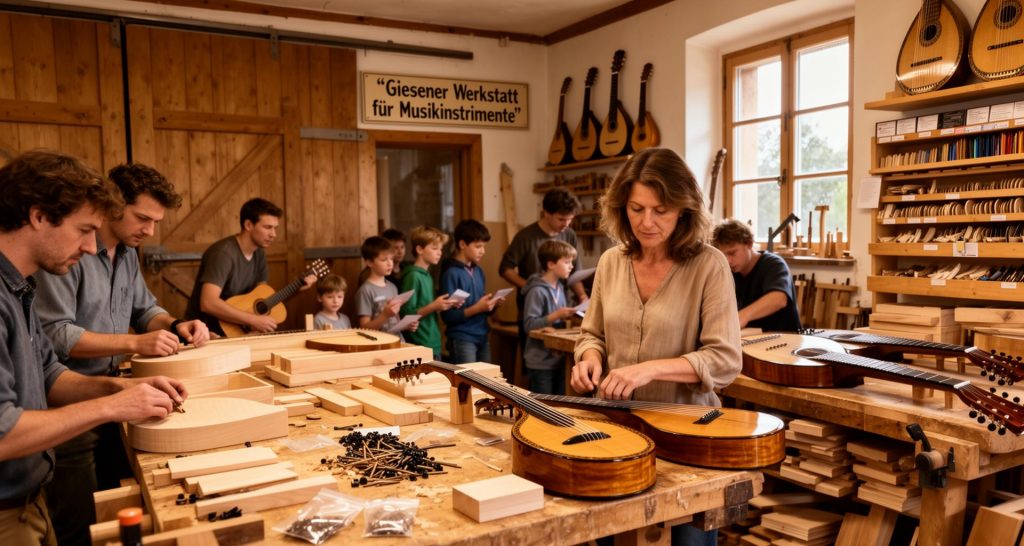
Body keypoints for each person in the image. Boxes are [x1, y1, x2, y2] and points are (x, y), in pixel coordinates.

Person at [0, 150, 186, 546]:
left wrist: (119, 389)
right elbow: (3, 433)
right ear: (38, 216)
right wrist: (110, 406)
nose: (89, 247)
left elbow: (50, 373)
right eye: (84, 229)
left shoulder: (20, 288)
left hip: (30, 497)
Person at [571, 148, 740, 546]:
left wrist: (650, 368)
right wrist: (589, 359)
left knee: (687, 540)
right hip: (615, 434)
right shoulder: (612, 262)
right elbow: (591, 334)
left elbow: (726, 360)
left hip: (687, 439)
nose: (647, 222)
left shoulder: (709, 265)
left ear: (685, 209)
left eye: (660, 210)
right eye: (636, 208)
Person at [185, 198, 314, 336]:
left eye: (275, 228)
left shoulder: (259, 254)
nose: (273, 234)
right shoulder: (223, 254)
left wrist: (296, 289)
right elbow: (208, 303)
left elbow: (263, 301)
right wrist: (253, 320)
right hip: (205, 333)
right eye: (267, 227)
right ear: (248, 225)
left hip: (237, 332)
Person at [712, 218, 801, 332]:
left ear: (749, 244)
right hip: (752, 339)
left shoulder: (774, 264)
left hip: (785, 340)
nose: (728, 261)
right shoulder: (732, 272)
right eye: (724, 255)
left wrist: (742, 316)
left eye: (732, 253)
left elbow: (779, 299)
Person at [440, 220, 504, 364]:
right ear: (462, 244)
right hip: (462, 338)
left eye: (484, 246)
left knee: (486, 382)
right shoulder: (451, 273)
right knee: (466, 384)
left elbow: (482, 308)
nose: (483, 251)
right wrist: (477, 308)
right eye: (478, 246)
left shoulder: (478, 270)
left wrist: (492, 305)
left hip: (482, 334)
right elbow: (448, 316)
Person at [523, 240, 578, 395]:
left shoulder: (560, 287)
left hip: (558, 359)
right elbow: (529, 325)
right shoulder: (536, 291)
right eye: (567, 262)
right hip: (540, 362)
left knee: (560, 404)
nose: (571, 266)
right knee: (543, 406)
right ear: (551, 264)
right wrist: (556, 315)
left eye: (571, 262)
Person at [400, 226, 458, 359]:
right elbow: (407, 314)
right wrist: (434, 306)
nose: (440, 253)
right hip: (420, 341)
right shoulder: (413, 276)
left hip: (433, 339)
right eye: (434, 248)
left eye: (441, 249)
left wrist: (444, 304)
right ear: (420, 249)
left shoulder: (426, 275)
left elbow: (426, 306)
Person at [355, 236, 417, 334]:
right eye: (384, 260)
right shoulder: (365, 290)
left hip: (397, 341)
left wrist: (406, 325)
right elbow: (364, 328)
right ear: (369, 262)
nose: (390, 264)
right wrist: (384, 315)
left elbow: (395, 322)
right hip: (380, 345)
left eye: (391, 259)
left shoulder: (392, 287)